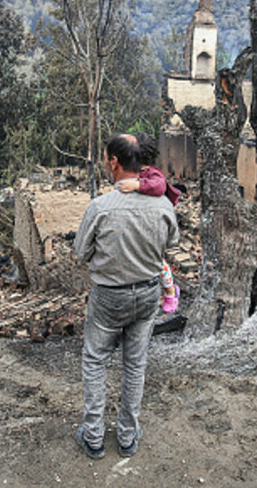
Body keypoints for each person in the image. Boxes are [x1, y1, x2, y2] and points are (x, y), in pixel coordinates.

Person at [73, 133, 180, 459]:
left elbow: (80, 251)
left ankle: (93, 436)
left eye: (107, 159)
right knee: (135, 365)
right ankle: (127, 436)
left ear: (114, 162)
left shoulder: (101, 207)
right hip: (148, 293)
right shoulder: (163, 205)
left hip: (108, 297)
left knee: (95, 360)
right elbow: (171, 243)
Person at [116, 133, 181, 313]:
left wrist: (137, 186)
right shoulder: (134, 172)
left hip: (153, 224)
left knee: (157, 261)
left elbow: (159, 186)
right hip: (139, 223)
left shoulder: (152, 174)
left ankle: (170, 291)